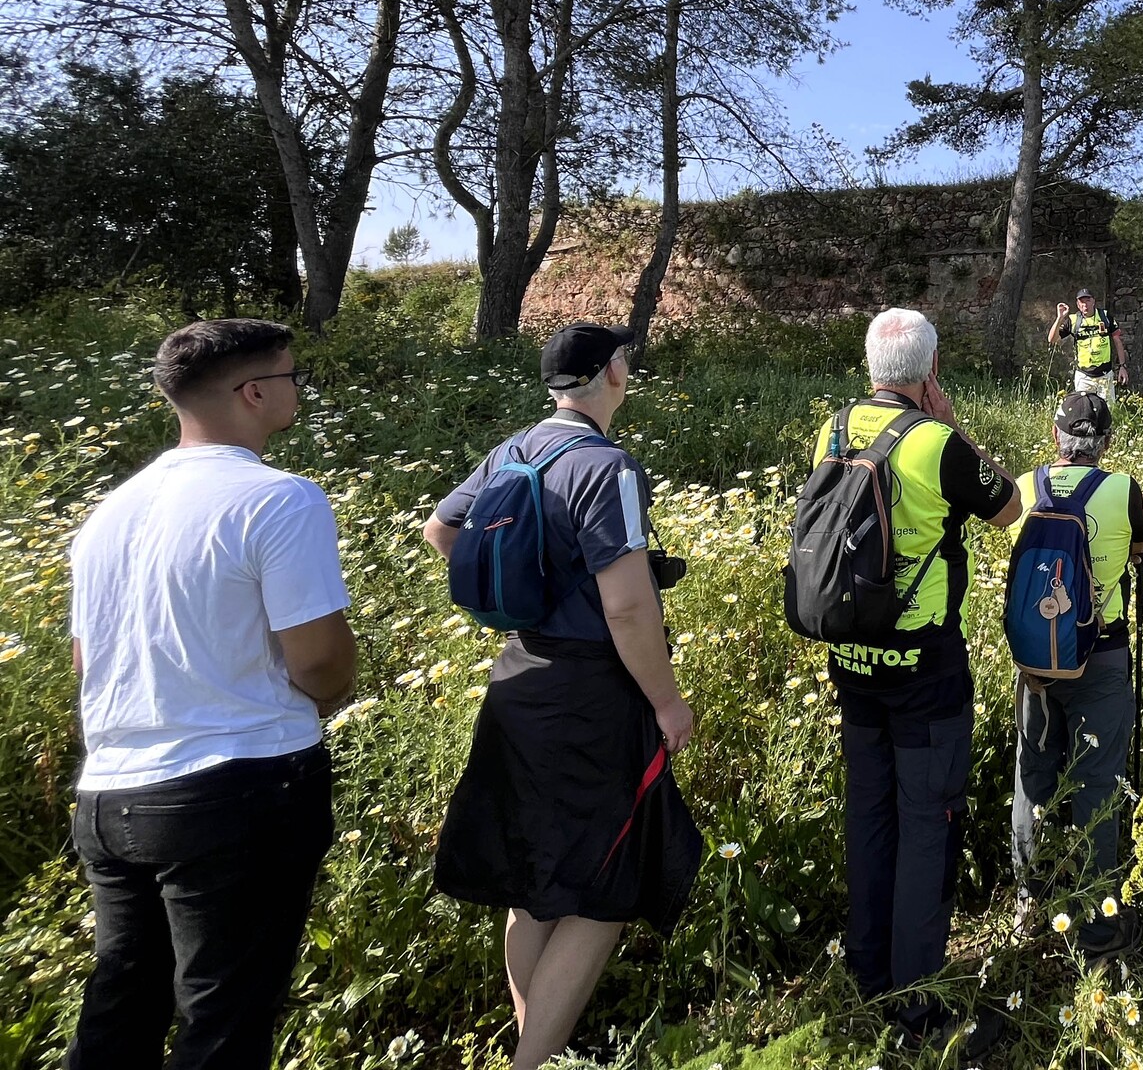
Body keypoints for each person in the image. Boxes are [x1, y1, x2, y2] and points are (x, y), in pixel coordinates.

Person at [66, 318, 356, 1070]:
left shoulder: (110, 512)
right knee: (223, 1020)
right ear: (254, 392)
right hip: (239, 787)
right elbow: (320, 659)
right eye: (292, 378)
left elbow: (85, 660)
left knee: (119, 1010)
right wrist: (324, 697)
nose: (299, 390)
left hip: (110, 793)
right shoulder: (278, 500)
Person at [425, 323, 702, 1070]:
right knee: (600, 892)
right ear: (611, 373)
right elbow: (628, 608)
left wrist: (526, 596)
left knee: (534, 881)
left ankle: (535, 1048)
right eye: (625, 360)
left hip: (518, 680)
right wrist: (668, 704)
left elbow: (440, 531)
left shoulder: (513, 450)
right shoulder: (606, 468)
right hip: (592, 698)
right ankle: (530, 1065)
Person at [811, 309, 1020, 1048]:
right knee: (927, 826)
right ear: (930, 371)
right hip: (923, 665)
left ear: (869, 365)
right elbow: (1008, 507)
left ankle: (869, 978)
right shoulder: (935, 442)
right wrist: (953, 424)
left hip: (852, 660)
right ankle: (917, 1004)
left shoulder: (833, 429)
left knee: (869, 818)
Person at [1009, 392, 1143, 958]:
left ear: (1055, 433)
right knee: (1097, 783)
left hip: (1037, 661)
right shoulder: (1121, 490)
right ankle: (1096, 923)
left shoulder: (1023, 486)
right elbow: (1142, 548)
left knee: (1033, 777)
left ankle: (1029, 907)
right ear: (1106, 442)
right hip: (1102, 654)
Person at [1049, 290, 1128, 405]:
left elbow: (1117, 340)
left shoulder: (1105, 317)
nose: (1085, 305)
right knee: (1084, 412)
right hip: (1084, 376)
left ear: (1093, 301)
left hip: (1105, 375)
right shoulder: (1073, 320)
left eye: (1088, 300)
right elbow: (1052, 339)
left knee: (1107, 412)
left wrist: (1122, 366)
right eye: (1082, 302)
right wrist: (1059, 318)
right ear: (1078, 304)